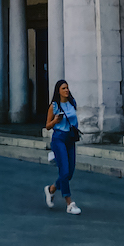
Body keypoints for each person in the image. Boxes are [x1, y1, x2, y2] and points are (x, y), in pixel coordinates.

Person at [44, 80, 81, 215]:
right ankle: (69, 203)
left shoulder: (72, 103)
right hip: (59, 138)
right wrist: (55, 121)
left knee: (69, 173)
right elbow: (47, 125)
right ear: (58, 91)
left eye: (67, 88)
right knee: (64, 171)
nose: (66, 90)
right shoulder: (54, 106)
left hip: (70, 139)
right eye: (63, 88)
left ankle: (51, 189)